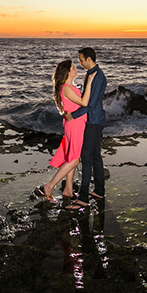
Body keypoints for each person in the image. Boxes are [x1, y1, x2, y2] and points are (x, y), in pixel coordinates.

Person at [35, 59, 95, 202]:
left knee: (71, 157)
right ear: (67, 72)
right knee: (74, 160)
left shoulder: (69, 86)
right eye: (73, 67)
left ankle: (68, 190)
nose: (76, 69)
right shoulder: (66, 88)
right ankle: (49, 186)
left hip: (75, 124)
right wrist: (90, 82)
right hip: (74, 125)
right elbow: (84, 103)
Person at [64, 47, 106, 211]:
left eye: (81, 60)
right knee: (95, 155)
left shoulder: (97, 76)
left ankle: (83, 198)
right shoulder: (91, 74)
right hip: (94, 120)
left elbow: (90, 104)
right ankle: (99, 191)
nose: (80, 63)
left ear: (89, 59)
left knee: (86, 156)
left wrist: (73, 115)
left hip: (94, 121)